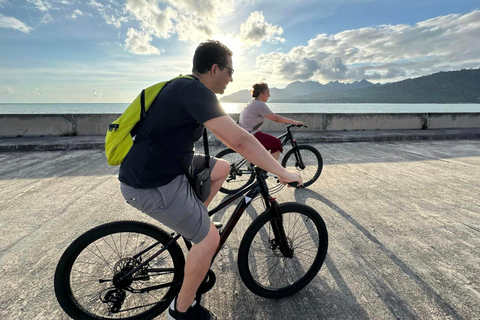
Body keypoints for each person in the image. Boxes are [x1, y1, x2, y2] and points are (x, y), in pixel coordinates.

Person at [118, 40, 303, 320]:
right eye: (230, 71)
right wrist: (282, 172)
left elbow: (227, 134)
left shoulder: (185, 87)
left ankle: (197, 219)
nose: (232, 78)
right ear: (214, 68)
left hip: (162, 167)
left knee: (220, 168)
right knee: (209, 241)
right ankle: (181, 310)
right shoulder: (194, 92)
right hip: (152, 183)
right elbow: (240, 140)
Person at [239, 82, 304, 160]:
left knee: (267, 145)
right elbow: (276, 118)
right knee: (276, 143)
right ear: (261, 94)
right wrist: (294, 122)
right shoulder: (259, 104)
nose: (269, 95)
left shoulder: (252, 102)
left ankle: (258, 166)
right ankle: (272, 168)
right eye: (268, 93)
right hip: (252, 135)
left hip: (247, 133)